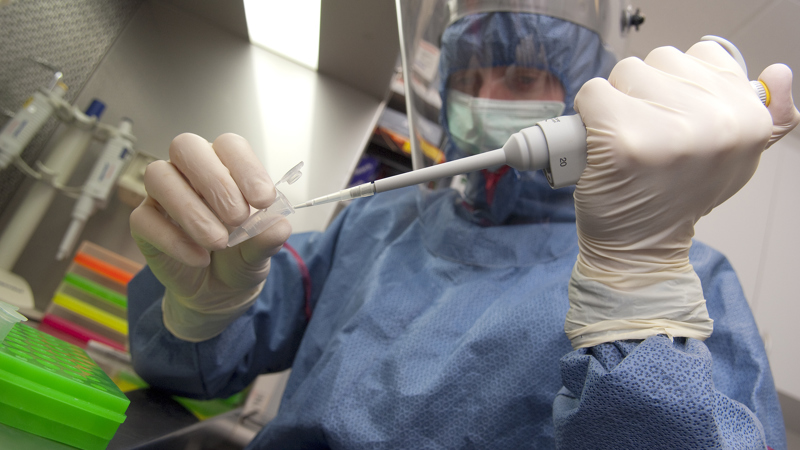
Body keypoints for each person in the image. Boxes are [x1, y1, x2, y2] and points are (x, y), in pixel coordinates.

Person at [127, 1, 800, 448]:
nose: (489, 100)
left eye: (520, 77)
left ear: (580, 93)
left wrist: (636, 294)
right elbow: (187, 372)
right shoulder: (377, 225)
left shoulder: (676, 270)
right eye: (471, 77)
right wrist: (195, 312)